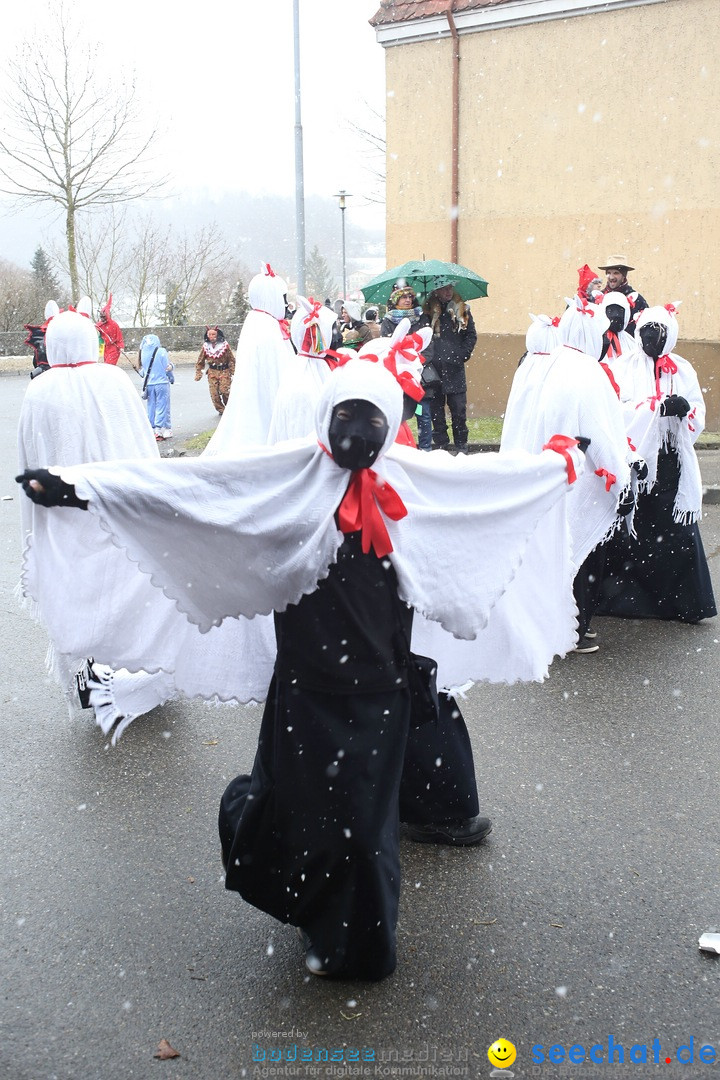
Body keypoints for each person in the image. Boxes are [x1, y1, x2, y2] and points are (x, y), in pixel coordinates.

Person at [17, 358, 587, 981]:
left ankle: (356, 950)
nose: (358, 431)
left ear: (391, 420)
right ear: (325, 416)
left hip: (381, 694)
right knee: (297, 813)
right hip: (304, 693)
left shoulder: (416, 481)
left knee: (363, 835)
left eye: (372, 417)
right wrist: (77, 488)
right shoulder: (288, 476)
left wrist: (562, 461)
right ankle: (268, 845)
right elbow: (189, 493)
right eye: (345, 415)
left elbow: (496, 486)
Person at [17, 301, 160, 725]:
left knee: (82, 598)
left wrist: (38, 525)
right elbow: (142, 445)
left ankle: (92, 677)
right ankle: (142, 675)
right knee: (131, 595)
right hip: (122, 510)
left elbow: (31, 461)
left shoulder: (40, 390)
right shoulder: (115, 382)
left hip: (67, 519)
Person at [502, 298, 633, 654]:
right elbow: (601, 434)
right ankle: (571, 629)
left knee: (548, 551)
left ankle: (544, 624)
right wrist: (623, 481)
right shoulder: (587, 370)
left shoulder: (546, 364)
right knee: (580, 556)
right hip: (578, 479)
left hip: (546, 476)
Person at [597, 304, 716, 623]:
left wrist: (685, 411)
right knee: (631, 530)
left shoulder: (683, 369)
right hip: (637, 465)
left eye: (658, 331)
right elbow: (614, 411)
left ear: (670, 335)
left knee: (674, 534)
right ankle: (624, 599)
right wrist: (652, 410)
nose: (651, 337)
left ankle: (678, 603)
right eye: (646, 330)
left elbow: (698, 412)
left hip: (671, 463)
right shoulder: (623, 367)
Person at [204, 263, 295, 453]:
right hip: (266, 418)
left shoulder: (258, 323)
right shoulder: (266, 328)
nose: (286, 303)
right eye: (283, 298)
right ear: (270, 297)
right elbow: (277, 377)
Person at [419, 280, 477, 452]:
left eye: (450, 288)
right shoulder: (427, 312)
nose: (448, 291)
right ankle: (441, 444)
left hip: (455, 369)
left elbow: (471, 335)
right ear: (436, 291)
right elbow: (422, 338)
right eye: (444, 288)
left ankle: (461, 444)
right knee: (436, 413)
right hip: (433, 371)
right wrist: (427, 359)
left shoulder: (462, 310)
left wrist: (461, 355)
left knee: (459, 410)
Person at [381, 283, 432, 450]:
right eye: (404, 297)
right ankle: (400, 447)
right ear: (396, 300)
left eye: (410, 296)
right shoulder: (388, 321)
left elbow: (428, 345)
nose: (408, 300)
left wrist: (417, 361)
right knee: (398, 416)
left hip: (418, 375)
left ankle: (425, 449)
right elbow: (388, 347)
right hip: (398, 377)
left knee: (423, 414)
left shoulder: (421, 318)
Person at [138, 333, 174, 440]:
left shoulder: (143, 352)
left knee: (151, 406)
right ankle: (162, 429)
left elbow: (143, 373)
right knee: (163, 405)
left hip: (149, 384)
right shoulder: (161, 351)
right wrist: (172, 375)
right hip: (162, 383)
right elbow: (166, 368)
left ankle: (152, 428)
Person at [598, 257, 648, 334]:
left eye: (616, 273)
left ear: (623, 276)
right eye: (609, 273)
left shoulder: (636, 299)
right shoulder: (599, 298)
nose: (611, 277)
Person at [195, 326, 236, 415]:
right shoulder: (206, 347)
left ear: (217, 335)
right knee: (214, 394)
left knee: (225, 391)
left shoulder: (224, 346)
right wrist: (199, 373)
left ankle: (230, 408)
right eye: (209, 334)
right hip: (212, 372)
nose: (211, 336)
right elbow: (200, 361)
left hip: (224, 371)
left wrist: (234, 372)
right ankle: (221, 410)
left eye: (213, 334)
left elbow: (231, 359)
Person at [96, 295, 125, 366]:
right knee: (106, 365)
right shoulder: (99, 325)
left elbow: (119, 337)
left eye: (104, 317)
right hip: (106, 348)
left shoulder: (114, 325)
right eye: (101, 317)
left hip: (114, 348)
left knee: (109, 366)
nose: (102, 319)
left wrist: (121, 347)